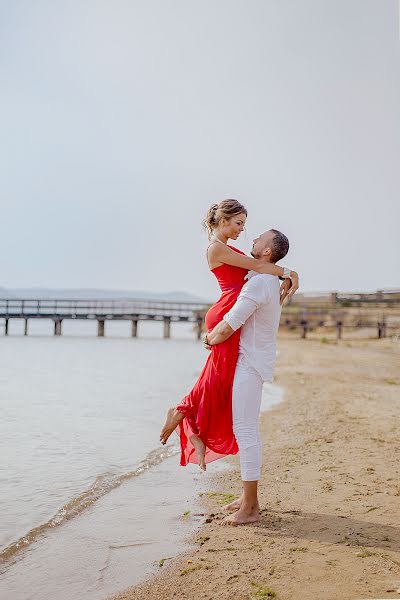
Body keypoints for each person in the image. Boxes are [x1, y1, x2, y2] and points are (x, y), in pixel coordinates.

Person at [159, 200, 298, 470]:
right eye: (238, 223)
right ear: (223, 221)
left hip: (231, 311)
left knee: (219, 376)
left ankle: (192, 424)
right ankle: (182, 412)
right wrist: (290, 273)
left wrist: (288, 274)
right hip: (226, 312)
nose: (242, 230)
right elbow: (258, 267)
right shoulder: (217, 248)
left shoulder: (225, 247)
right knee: (217, 374)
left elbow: (258, 268)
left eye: (244, 224)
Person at [204, 228, 289, 525]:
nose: (252, 239)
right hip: (253, 360)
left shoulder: (261, 283)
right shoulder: (265, 280)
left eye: (259, 239)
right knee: (246, 428)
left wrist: (211, 338)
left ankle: (251, 508)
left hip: (250, 363)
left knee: (246, 430)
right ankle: (246, 497)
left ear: (267, 251)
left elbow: (232, 321)